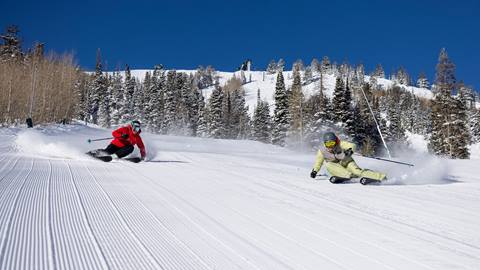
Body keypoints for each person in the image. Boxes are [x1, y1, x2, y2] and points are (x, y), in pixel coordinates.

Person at [310, 132, 386, 182]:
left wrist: (350, 151)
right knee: (328, 164)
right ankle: (348, 176)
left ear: (335, 142)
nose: (330, 146)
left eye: (332, 143)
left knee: (357, 172)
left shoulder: (340, 144)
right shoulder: (322, 151)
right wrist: (315, 171)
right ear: (325, 143)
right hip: (336, 167)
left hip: (347, 162)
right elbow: (318, 162)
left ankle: (381, 177)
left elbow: (353, 145)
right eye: (328, 144)